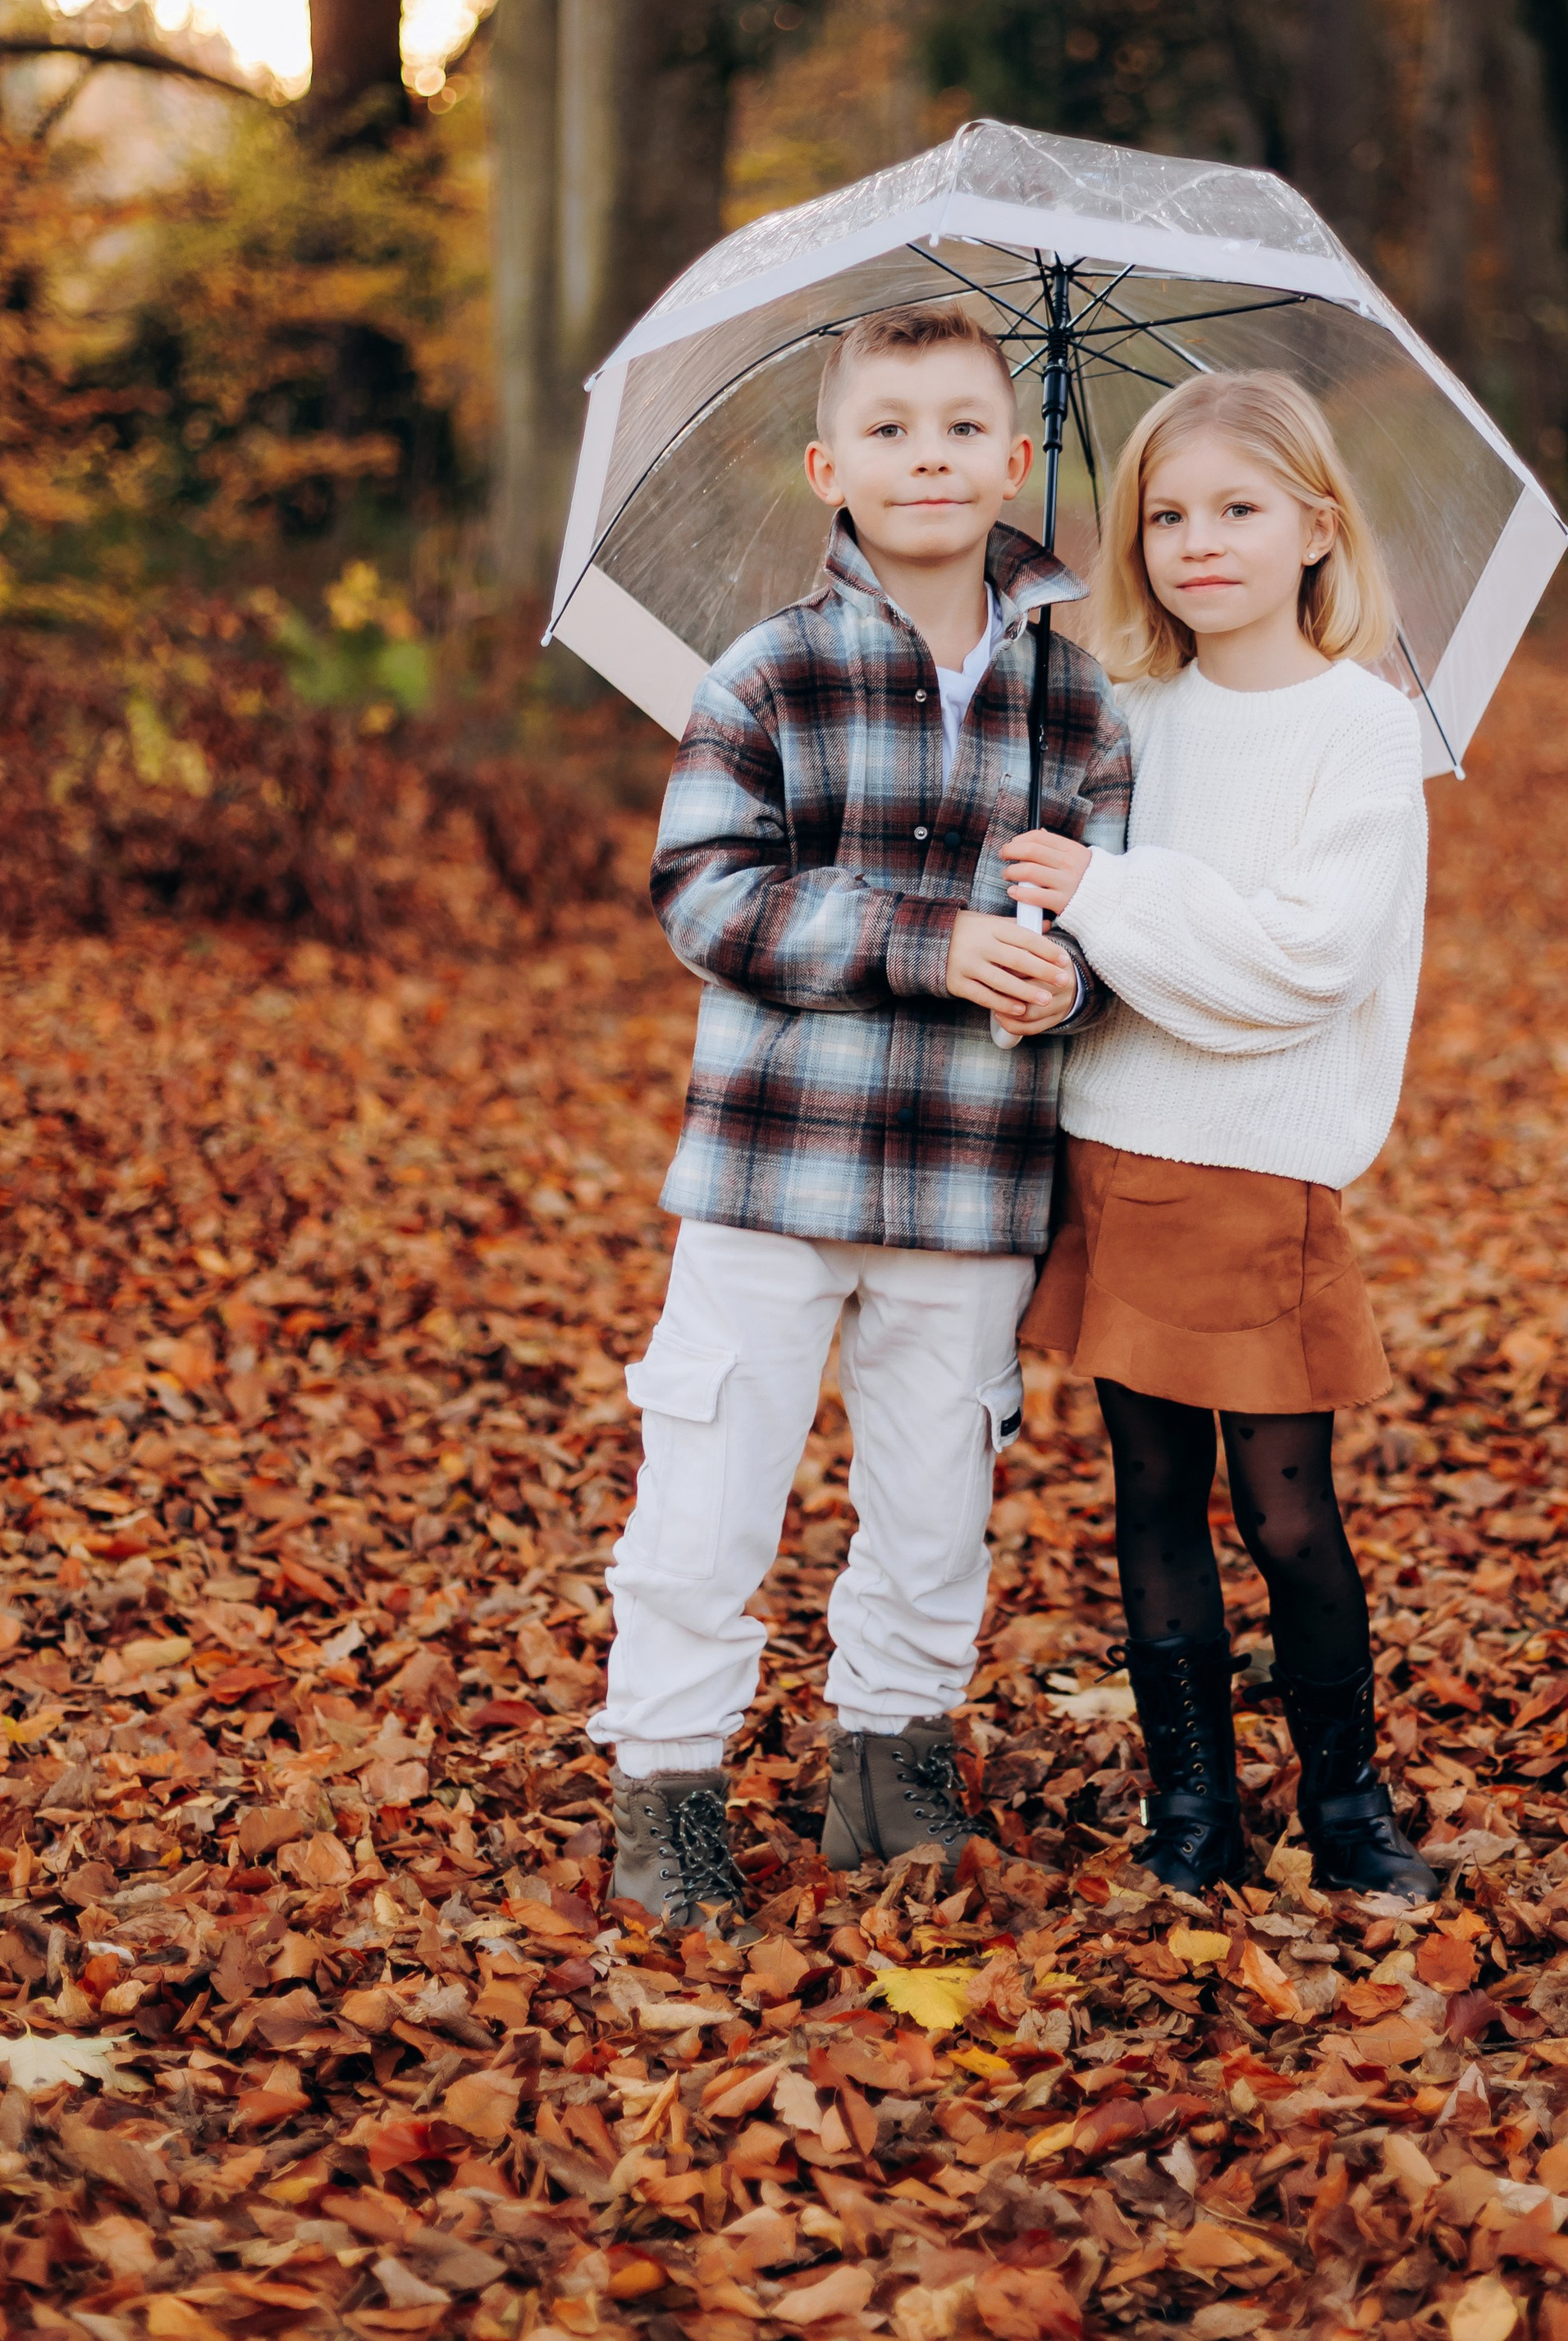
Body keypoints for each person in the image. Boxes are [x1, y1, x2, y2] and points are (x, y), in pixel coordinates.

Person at [592, 301, 1131, 1926]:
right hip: (772, 1166)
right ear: (830, 468)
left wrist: (1073, 979)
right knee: (707, 1486)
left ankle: (892, 1776)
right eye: (889, 430)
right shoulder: (764, 672)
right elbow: (704, 897)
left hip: (971, 1182)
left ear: (1015, 461)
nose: (927, 458)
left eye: (961, 428)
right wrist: (924, 944)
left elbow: (1119, 909)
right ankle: (667, 1797)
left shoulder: (1078, 701)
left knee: (932, 1495)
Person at [1003, 368, 1436, 1904]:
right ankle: (1192, 1810)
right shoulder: (1118, 717)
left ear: (1316, 529)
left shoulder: (1362, 735)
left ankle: (1346, 1799)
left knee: (1285, 1507)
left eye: (1239, 510)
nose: (1200, 542)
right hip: (1116, 1149)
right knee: (1146, 1496)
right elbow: (1088, 965)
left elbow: (1300, 967)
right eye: (1167, 515)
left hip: (1257, 1173)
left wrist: (1113, 898)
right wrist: (1047, 957)